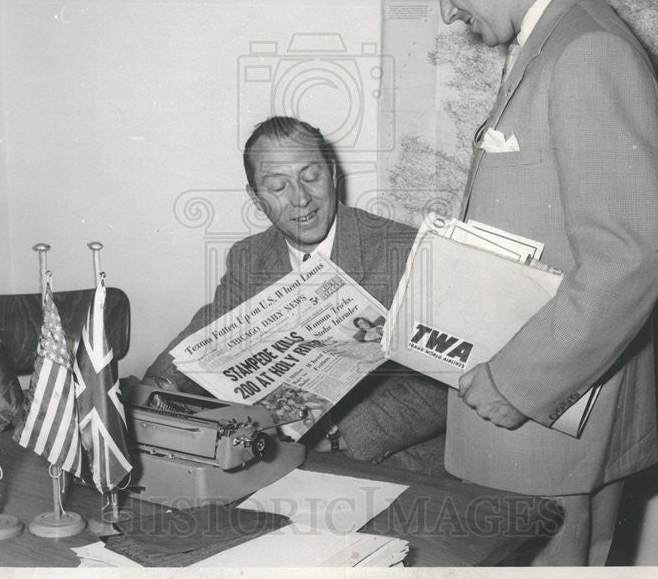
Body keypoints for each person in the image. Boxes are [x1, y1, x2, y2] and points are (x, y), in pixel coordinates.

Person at [408, 0, 658, 565]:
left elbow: (631, 254)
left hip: (544, 416)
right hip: (543, 419)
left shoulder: (587, 49)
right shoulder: (555, 39)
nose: (447, 9)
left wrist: (515, 381)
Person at [144, 116, 447, 473]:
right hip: (278, 460)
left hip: (390, 463)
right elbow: (207, 334)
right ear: (256, 199)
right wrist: (157, 388)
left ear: (333, 173)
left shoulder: (406, 250)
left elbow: (444, 387)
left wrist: (340, 434)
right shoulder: (249, 257)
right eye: (278, 186)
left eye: (311, 176)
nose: (301, 198)